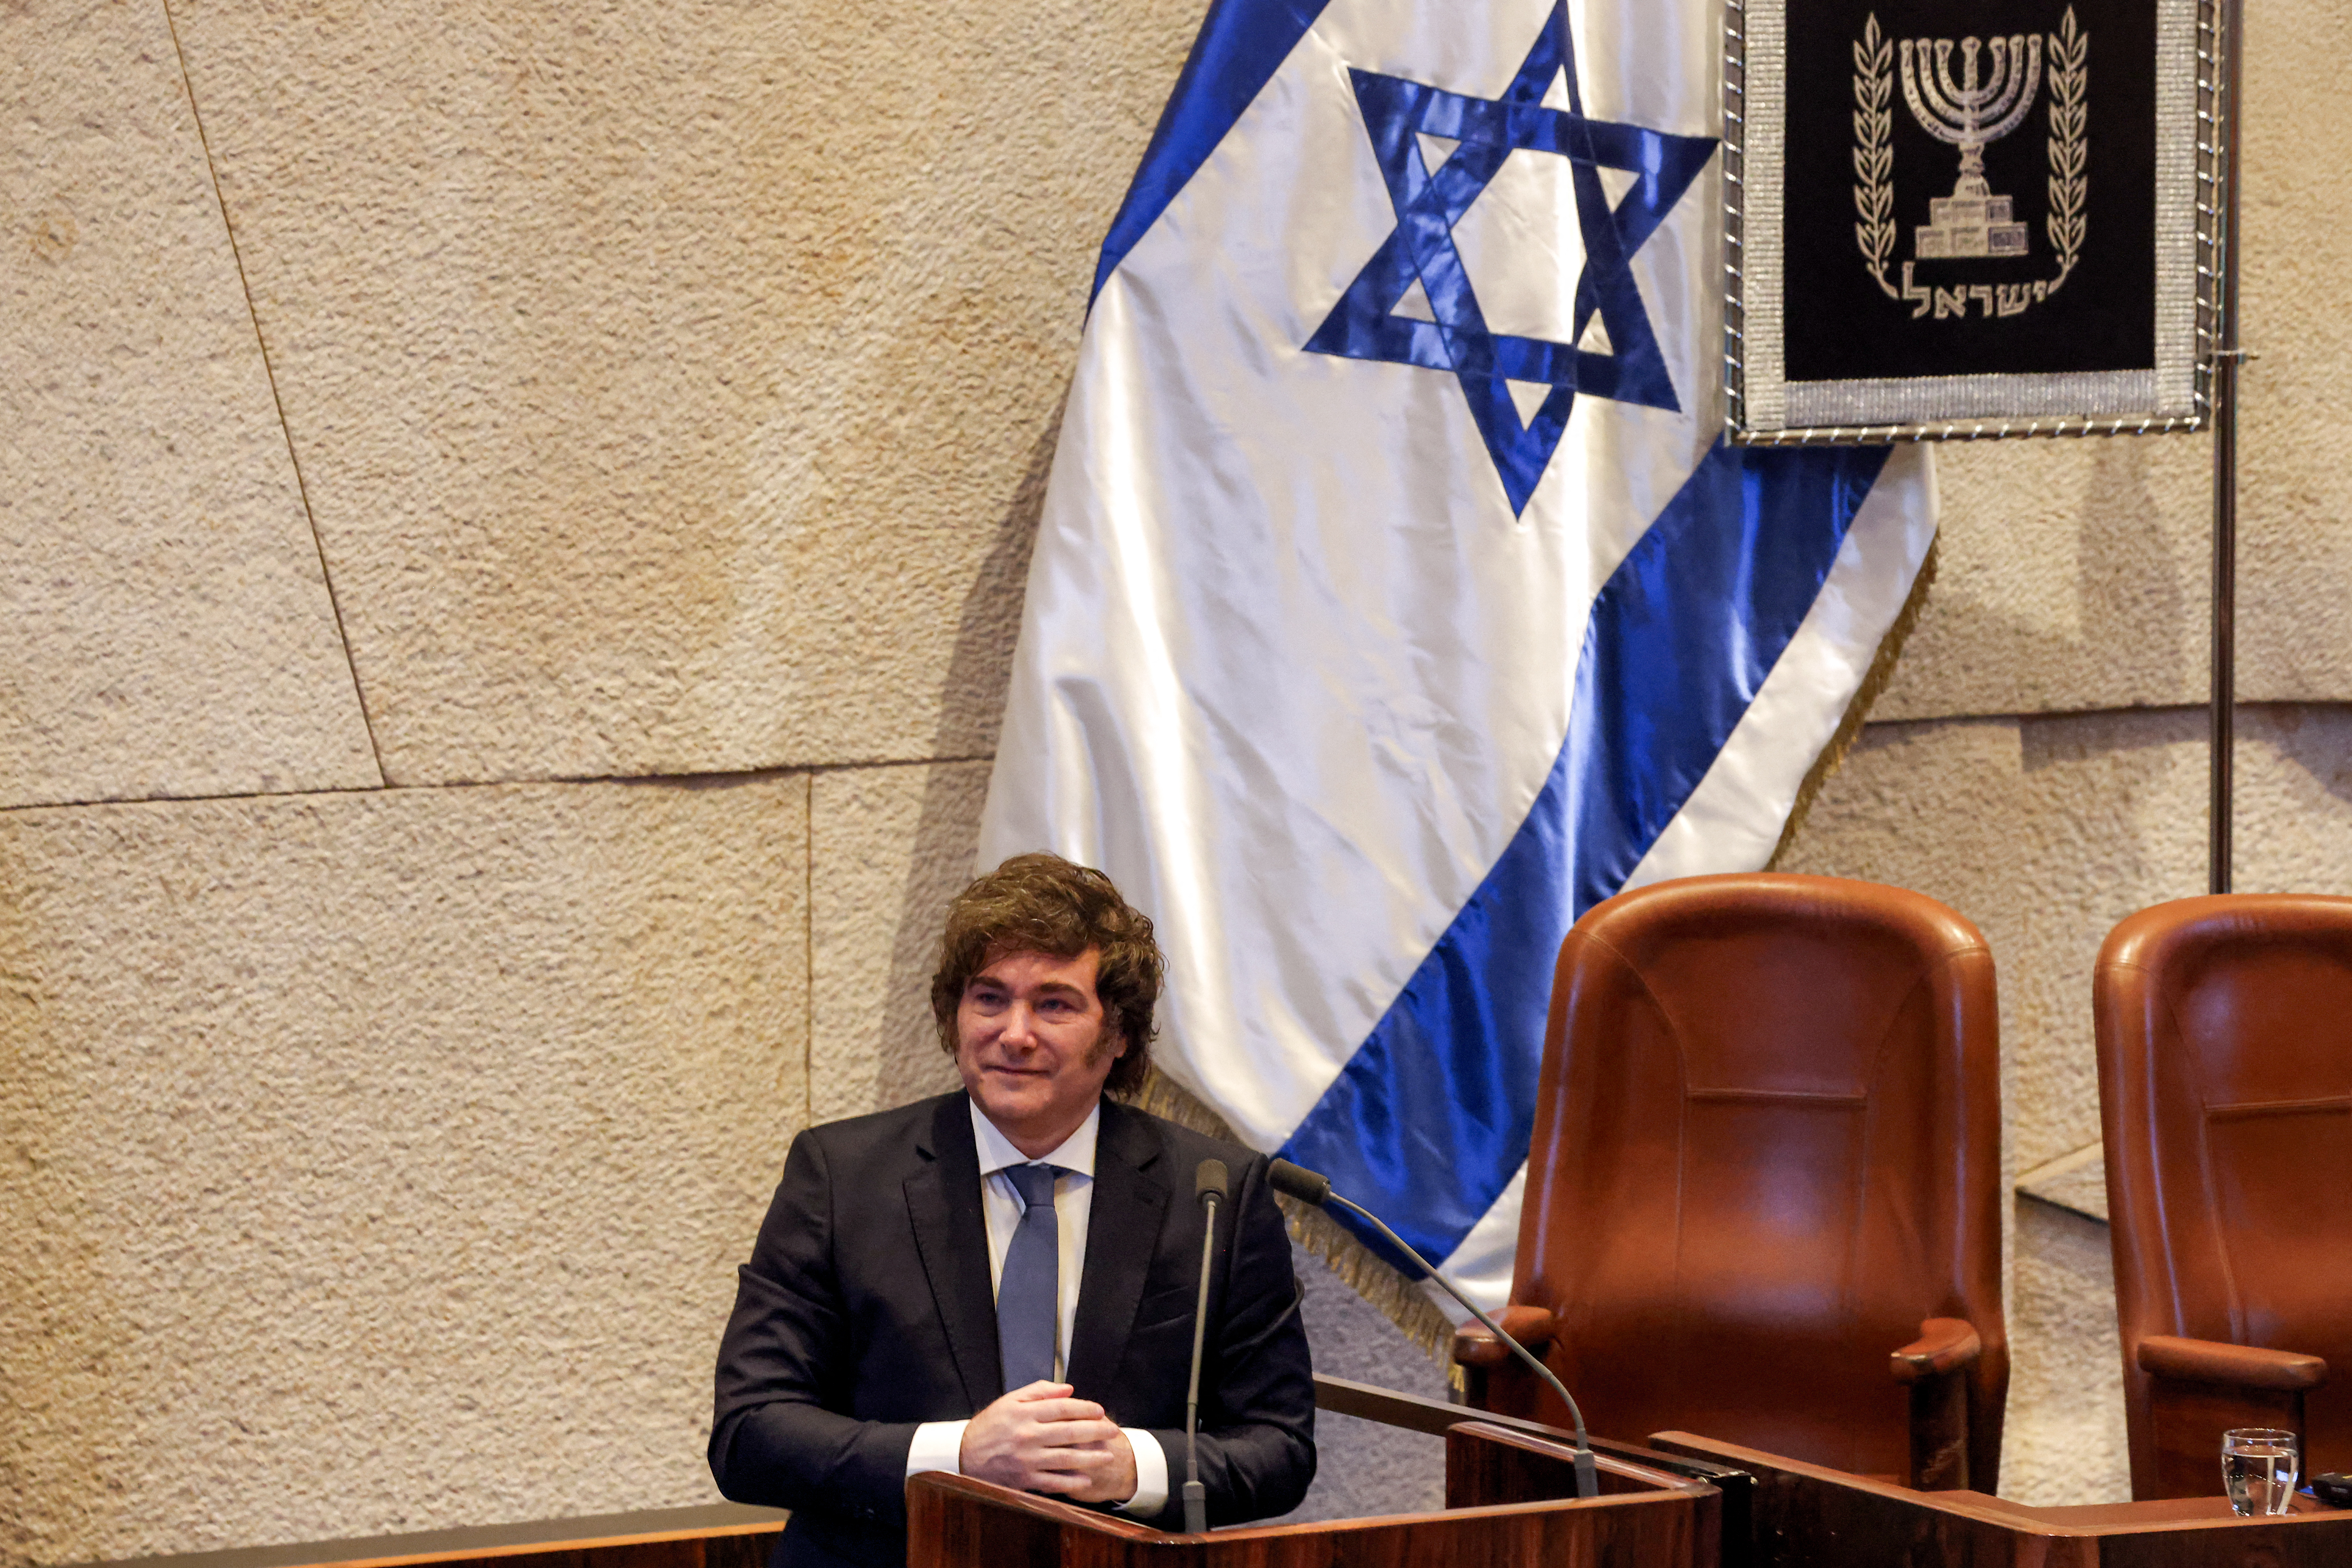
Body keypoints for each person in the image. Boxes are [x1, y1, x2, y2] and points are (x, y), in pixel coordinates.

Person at [709, 853, 1316, 1566]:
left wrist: (1132, 1468)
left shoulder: (1214, 1192)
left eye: (1054, 1004)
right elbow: (750, 1434)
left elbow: (1279, 1447)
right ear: (954, 1012)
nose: (1014, 1033)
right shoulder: (842, 1177)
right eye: (990, 998)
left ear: (1118, 1033)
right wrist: (958, 1455)